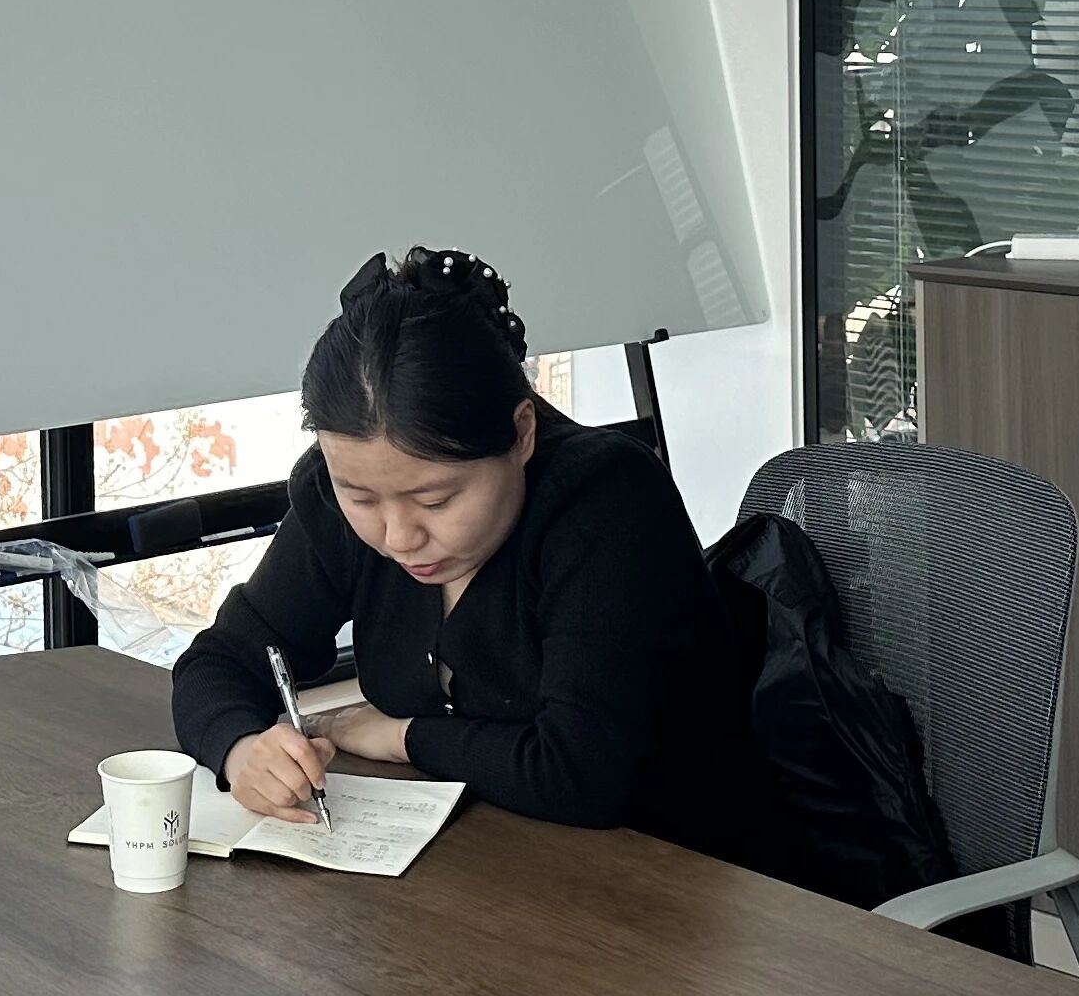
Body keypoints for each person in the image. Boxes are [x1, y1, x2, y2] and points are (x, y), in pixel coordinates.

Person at [170, 248, 770, 860]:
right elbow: (221, 660)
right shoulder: (335, 498)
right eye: (361, 496)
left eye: (435, 499)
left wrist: (402, 737)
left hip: (672, 871)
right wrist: (240, 749)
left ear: (522, 433)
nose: (399, 536)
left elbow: (587, 775)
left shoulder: (607, 503)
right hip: (474, 858)